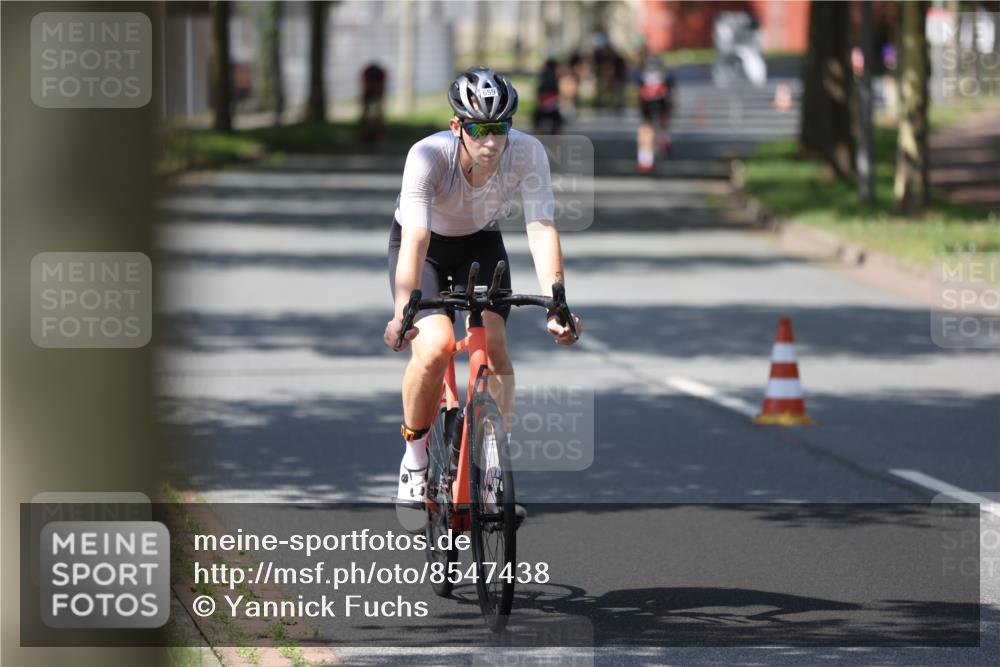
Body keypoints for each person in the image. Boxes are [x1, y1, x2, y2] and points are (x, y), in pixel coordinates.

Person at [383, 67, 583, 507]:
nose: (491, 141)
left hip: (480, 241)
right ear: (457, 126)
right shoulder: (427, 155)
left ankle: (492, 463)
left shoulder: (527, 152)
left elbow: (540, 227)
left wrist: (558, 303)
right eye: (479, 130)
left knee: (493, 346)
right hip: (426, 246)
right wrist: (402, 313)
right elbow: (415, 238)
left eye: (500, 128)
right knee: (435, 347)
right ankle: (414, 459)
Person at [635, 52, 676, 173]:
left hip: (649, 104)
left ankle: (645, 159)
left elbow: (639, 94)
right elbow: (670, 95)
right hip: (658, 104)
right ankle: (664, 139)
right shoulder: (666, 75)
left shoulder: (643, 76)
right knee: (660, 123)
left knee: (647, 128)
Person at [533, 57, 563, 134]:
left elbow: (540, 90)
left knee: (538, 117)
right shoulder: (552, 76)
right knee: (556, 119)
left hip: (546, 102)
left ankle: (539, 131)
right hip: (549, 102)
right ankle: (553, 133)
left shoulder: (545, 75)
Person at [359, 62, 387, 144]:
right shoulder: (374, 73)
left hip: (374, 93)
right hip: (370, 93)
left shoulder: (373, 73)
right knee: (368, 113)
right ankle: (367, 133)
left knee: (376, 113)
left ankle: (375, 134)